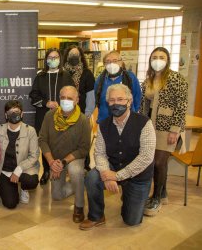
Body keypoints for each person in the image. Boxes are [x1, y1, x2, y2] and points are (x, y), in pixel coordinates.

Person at [80, 84, 156, 230]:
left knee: (131, 221)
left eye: (120, 99)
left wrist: (118, 176)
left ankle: (128, 196)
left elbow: (146, 157)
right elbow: (100, 153)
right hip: (113, 167)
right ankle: (96, 216)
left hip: (138, 176)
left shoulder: (144, 123)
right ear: (107, 103)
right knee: (92, 178)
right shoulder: (103, 125)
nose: (116, 103)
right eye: (112, 100)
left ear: (129, 101)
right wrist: (105, 174)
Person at [139, 47, 188, 216]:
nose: (157, 60)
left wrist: (175, 130)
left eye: (161, 57)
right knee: (156, 163)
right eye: (154, 57)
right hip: (150, 126)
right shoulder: (148, 80)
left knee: (159, 163)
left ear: (167, 60)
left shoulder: (176, 78)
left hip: (168, 128)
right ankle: (163, 193)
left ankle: (157, 197)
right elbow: (143, 103)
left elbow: (181, 106)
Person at [38, 86, 90, 223]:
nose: (65, 101)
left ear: (77, 100)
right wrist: (51, 163)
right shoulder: (49, 116)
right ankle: (81, 181)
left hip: (74, 158)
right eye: (63, 97)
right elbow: (42, 140)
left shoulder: (83, 120)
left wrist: (64, 162)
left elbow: (84, 149)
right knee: (57, 195)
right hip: (55, 160)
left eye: (70, 98)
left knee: (75, 170)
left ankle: (79, 205)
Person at [29, 48, 74, 185]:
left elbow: (72, 95)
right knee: (45, 142)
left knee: (62, 142)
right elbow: (33, 96)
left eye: (55, 57)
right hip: (44, 115)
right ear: (46, 60)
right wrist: (46, 103)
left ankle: (61, 168)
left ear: (60, 60)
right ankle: (46, 170)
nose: (53, 60)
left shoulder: (66, 76)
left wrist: (61, 104)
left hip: (64, 115)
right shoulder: (40, 76)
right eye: (50, 57)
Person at [0, 100, 40, 209]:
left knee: (31, 181)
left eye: (17, 111)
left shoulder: (30, 131)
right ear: (6, 115)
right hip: (4, 170)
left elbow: (34, 155)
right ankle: (8, 186)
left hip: (23, 169)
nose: (14, 114)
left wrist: (19, 169)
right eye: (10, 112)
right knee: (10, 204)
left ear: (22, 114)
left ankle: (24, 188)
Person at [94, 50, 141, 123]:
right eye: (108, 61)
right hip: (104, 120)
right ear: (104, 64)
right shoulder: (100, 80)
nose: (111, 63)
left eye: (115, 61)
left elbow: (137, 98)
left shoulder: (130, 77)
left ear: (121, 63)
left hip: (127, 121)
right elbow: (97, 99)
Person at [62, 45, 96, 117]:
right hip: (62, 112)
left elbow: (91, 97)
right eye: (72, 54)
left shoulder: (87, 73)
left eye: (76, 54)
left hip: (81, 113)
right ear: (67, 56)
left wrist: (87, 115)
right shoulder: (61, 73)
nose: (74, 56)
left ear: (81, 57)